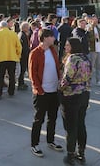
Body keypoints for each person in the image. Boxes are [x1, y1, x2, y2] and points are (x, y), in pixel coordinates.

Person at [28, 28, 63, 158]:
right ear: (45, 38)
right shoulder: (35, 53)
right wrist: (39, 90)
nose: (54, 39)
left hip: (54, 91)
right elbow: (32, 74)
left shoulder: (53, 50)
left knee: (52, 117)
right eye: (52, 37)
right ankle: (34, 144)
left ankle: (50, 140)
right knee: (39, 119)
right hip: (41, 92)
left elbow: (57, 67)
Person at [60, 37, 92, 165]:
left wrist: (60, 88)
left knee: (70, 126)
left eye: (67, 45)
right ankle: (81, 153)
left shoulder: (72, 59)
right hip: (85, 93)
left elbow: (67, 78)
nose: (65, 48)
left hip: (71, 95)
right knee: (81, 124)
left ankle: (70, 155)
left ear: (73, 46)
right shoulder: (85, 58)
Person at [0, 21, 22, 99]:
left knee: (0, 76)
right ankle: (11, 91)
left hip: (0, 58)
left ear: (0, 26)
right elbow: (19, 47)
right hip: (12, 58)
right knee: (12, 76)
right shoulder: (13, 34)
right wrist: (18, 56)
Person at [87, 15, 100, 87]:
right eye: (94, 20)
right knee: (91, 67)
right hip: (92, 50)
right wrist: (94, 37)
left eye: (96, 19)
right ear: (91, 20)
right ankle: (88, 81)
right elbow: (88, 39)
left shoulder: (98, 27)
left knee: (99, 66)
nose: (96, 21)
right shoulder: (88, 28)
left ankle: (99, 80)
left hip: (99, 49)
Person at [17, 21, 30, 90]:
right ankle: (20, 83)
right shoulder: (23, 35)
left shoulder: (21, 34)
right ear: (24, 28)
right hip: (23, 56)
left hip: (22, 55)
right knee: (22, 70)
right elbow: (24, 47)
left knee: (23, 70)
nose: (29, 28)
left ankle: (21, 82)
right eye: (28, 27)